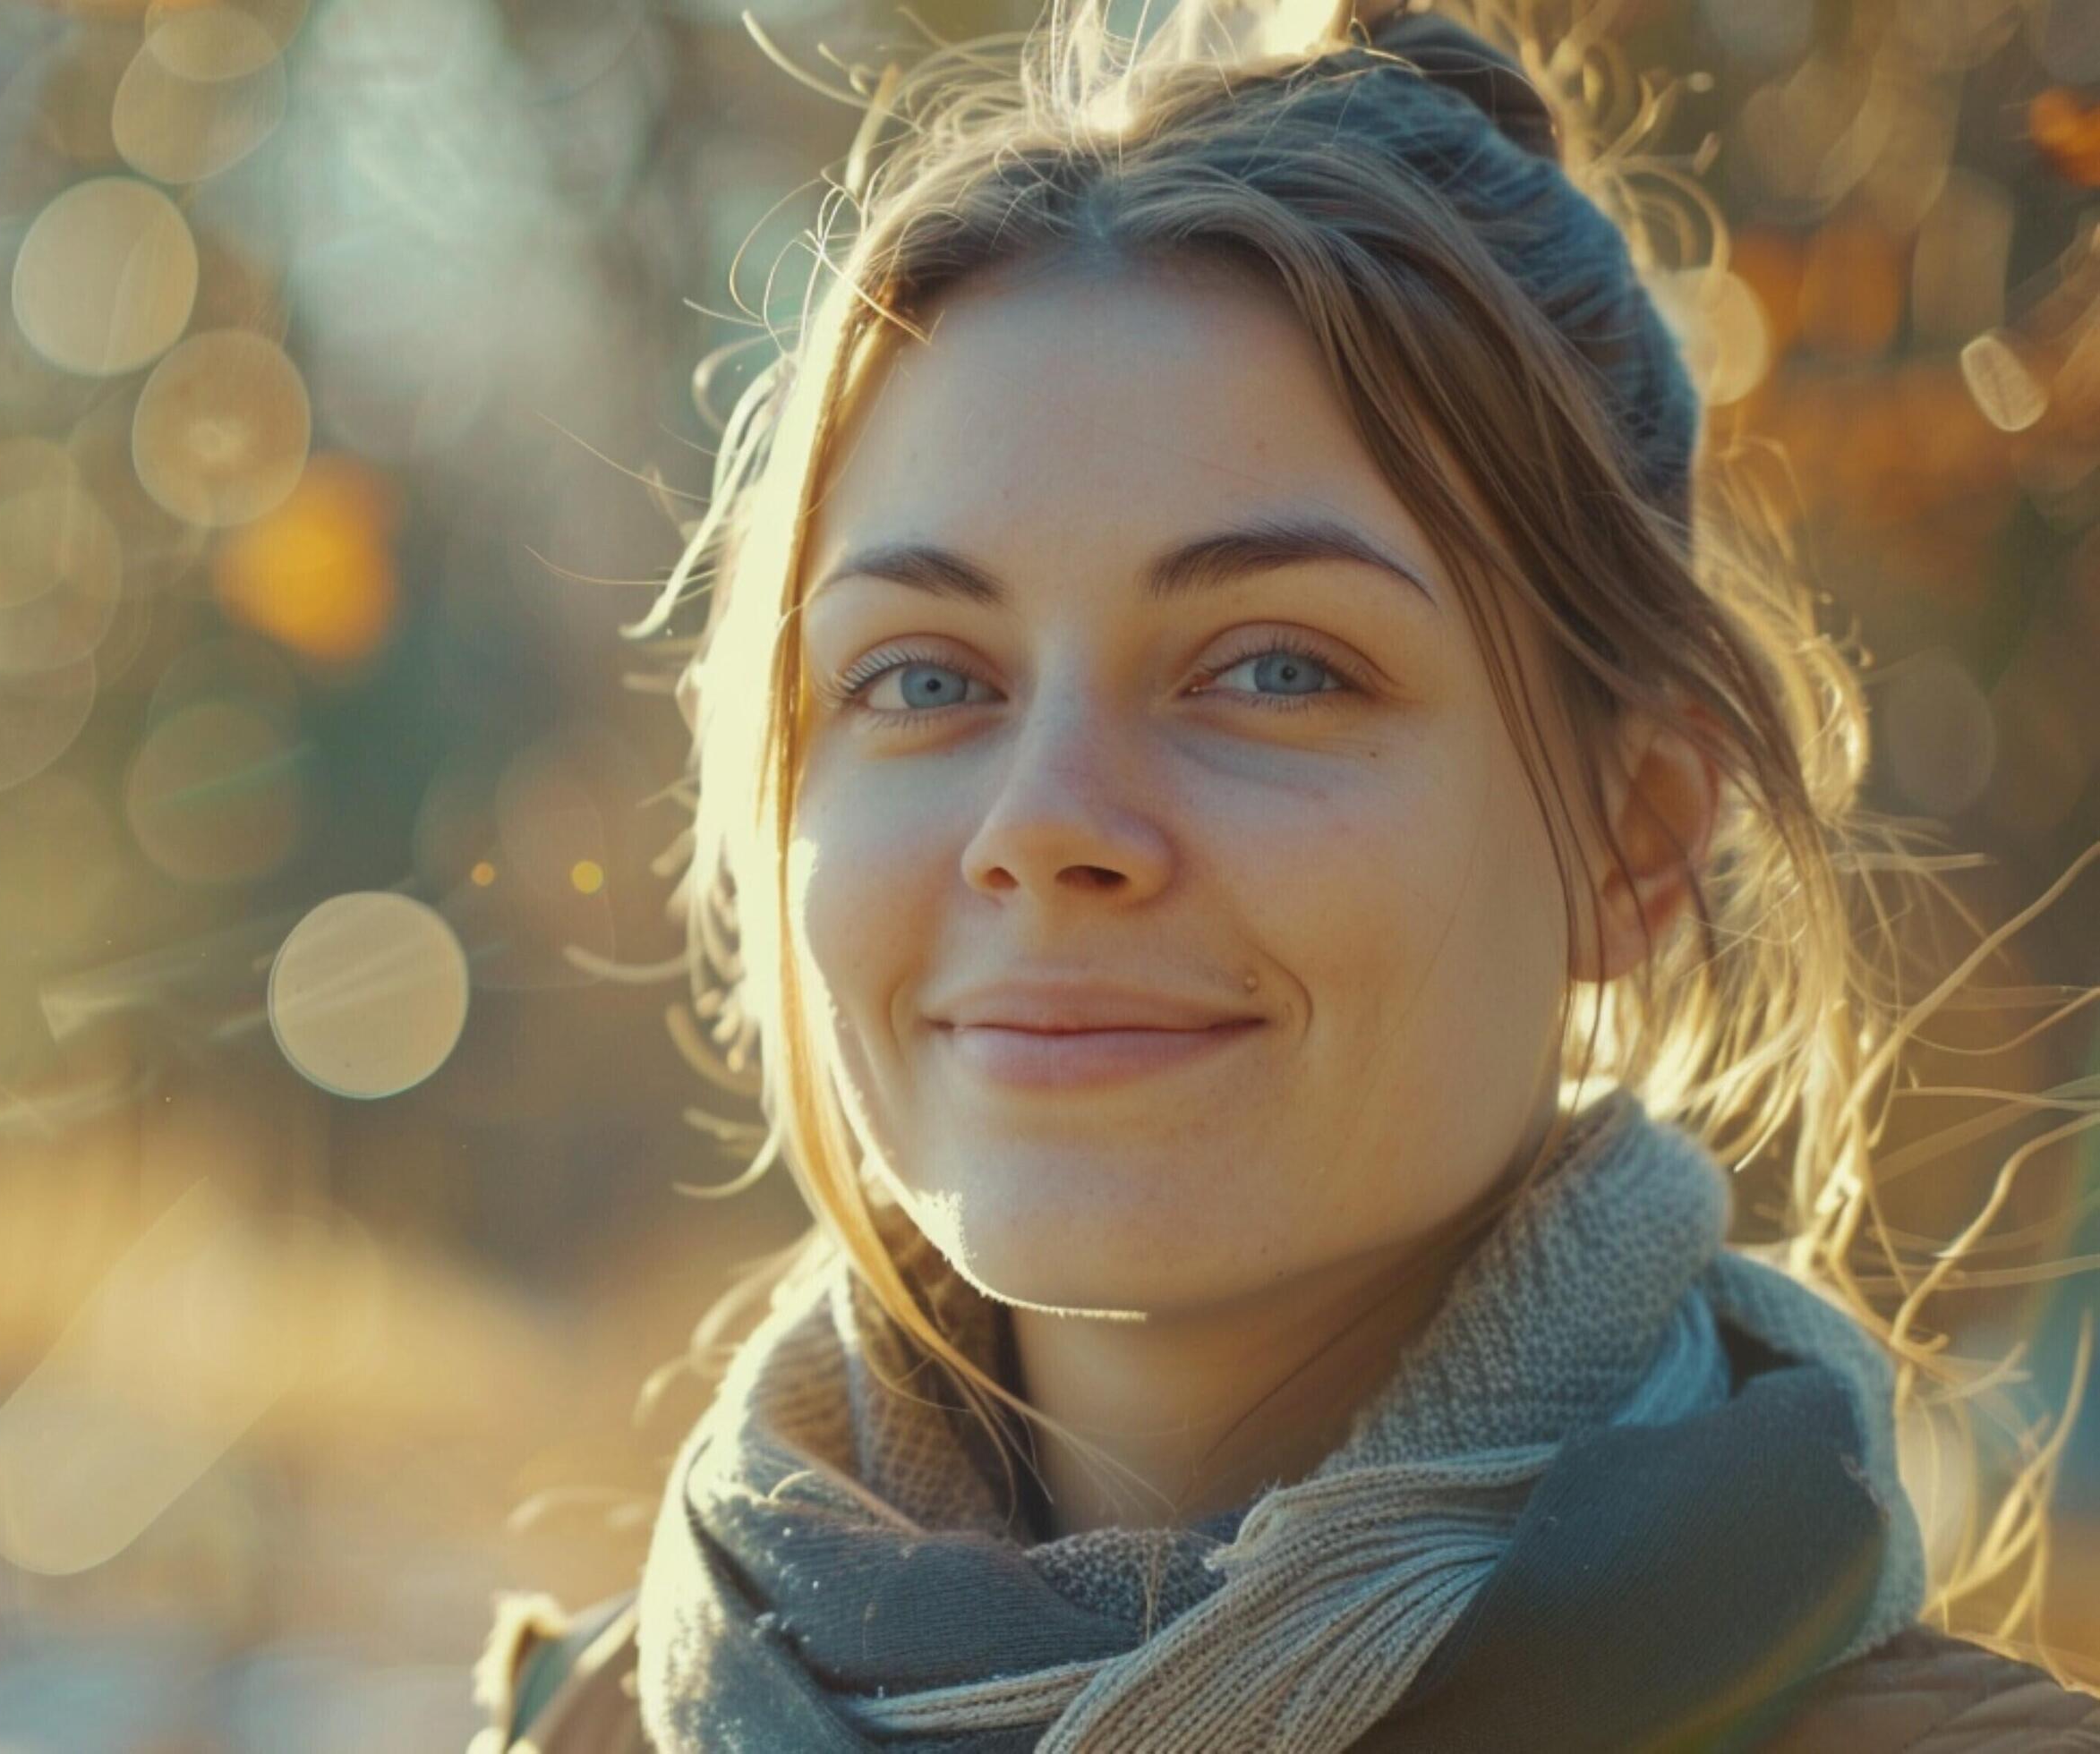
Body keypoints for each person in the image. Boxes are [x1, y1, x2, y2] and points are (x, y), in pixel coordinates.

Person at [470, 1, 2100, 1749]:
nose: (1042, 820)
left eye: (1274, 667)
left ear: (1635, 836)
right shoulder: (597, 1719)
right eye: (924, 675)